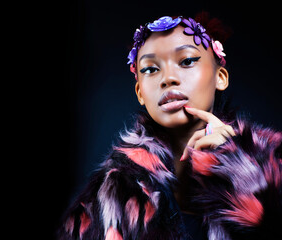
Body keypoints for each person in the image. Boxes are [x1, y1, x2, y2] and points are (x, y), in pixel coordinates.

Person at [58, 13, 282, 240]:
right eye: (150, 69)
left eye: (186, 61)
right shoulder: (110, 193)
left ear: (220, 77)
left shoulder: (275, 164)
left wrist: (239, 165)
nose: (168, 78)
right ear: (140, 93)